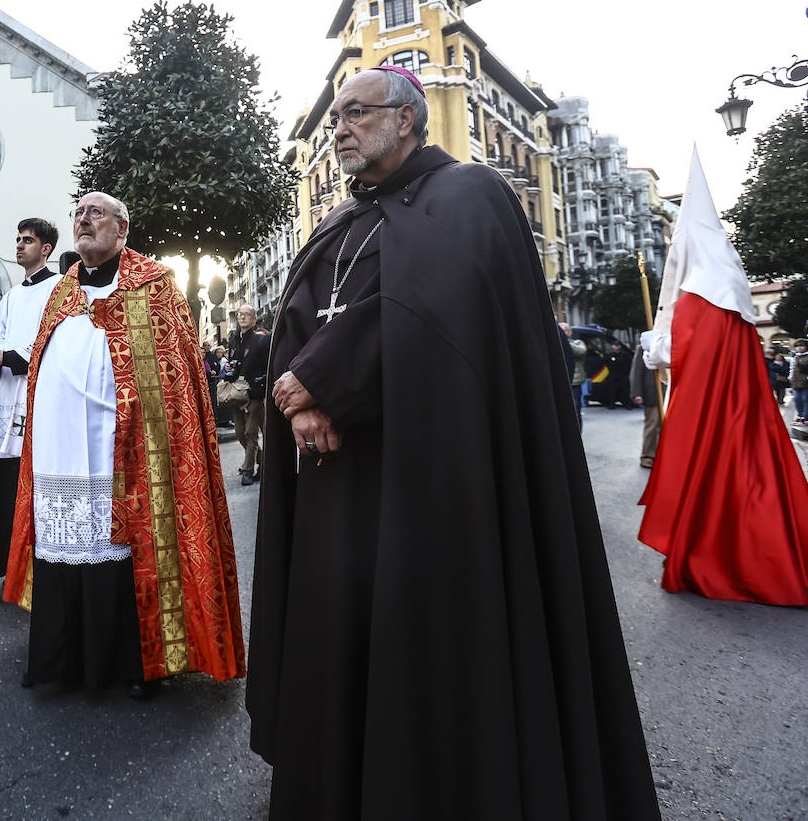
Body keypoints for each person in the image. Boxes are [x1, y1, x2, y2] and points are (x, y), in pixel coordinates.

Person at [245, 67, 657, 818]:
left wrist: (328, 379)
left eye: (355, 112)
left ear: (407, 119)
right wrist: (301, 392)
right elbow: (301, 312)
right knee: (343, 640)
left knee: (426, 640)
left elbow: (444, 308)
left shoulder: (473, 195)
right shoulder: (341, 221)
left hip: (436, 474)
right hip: (339, 475)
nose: (338, 127)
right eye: (334, 115)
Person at [2, 192, 245, 697]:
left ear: (123, 227)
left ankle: (138, 662)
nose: (83, 221)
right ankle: (63, 657)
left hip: (130, 447)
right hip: (62, 449)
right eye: (77, 214)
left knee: (124, 546)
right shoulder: (61, 290)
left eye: (95, 213)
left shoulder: (155, 285)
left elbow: (173, 380)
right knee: (65, 542)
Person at [0, 217, 59, 582]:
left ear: (46, 249)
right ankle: (9, 567)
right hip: (9, 394)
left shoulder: (60, 289)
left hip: (40, 394)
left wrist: (6, 357)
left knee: (37, 479)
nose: (20, 245)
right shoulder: (10, 296)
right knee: (7, 480)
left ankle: (40, 565)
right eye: (18, 239)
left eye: (28, 240)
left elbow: (53, 340)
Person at [227, 304, 269, 486]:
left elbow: (268, 366)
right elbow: (233, 362)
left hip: (255, 393)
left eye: (247, 314)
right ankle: (263, 462)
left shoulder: (260, 341)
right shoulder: (234, 340)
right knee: (239, 433)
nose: (242, 317)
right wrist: (228, 367)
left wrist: (266, 391)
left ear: (254, 319)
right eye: (240, 314)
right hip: (237, 393)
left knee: (250, 432)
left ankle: (248, 470)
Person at [630, 349, 664, 468]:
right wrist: (636, 393)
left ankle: (662, 455)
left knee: (666, 427)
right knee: (652, 426)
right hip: (653, 393)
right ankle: (647, 456)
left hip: (669, 393)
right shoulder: (644, 345)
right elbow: (637, 371)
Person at [790, 339, 808, 426]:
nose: (799, 348)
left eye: (801, 345)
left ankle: (806, 418)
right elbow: (792, 369)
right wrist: (790, 377)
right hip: (796, 383)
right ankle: (800, 416)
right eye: (797, 346)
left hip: (806, 382)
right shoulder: (795, 357)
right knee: (797, 400)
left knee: (806, 400)